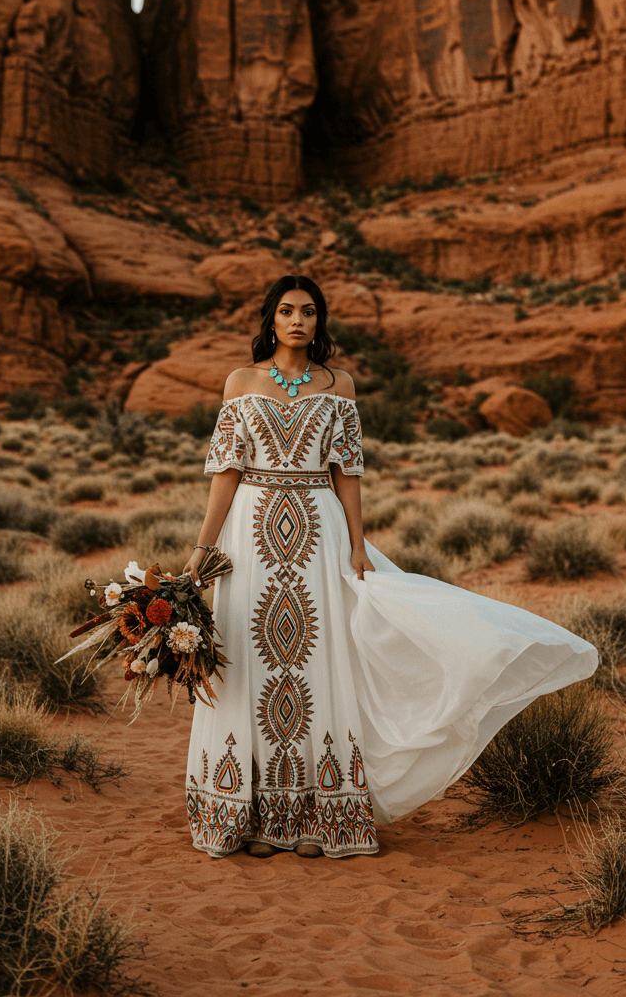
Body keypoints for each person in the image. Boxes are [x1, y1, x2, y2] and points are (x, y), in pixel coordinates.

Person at [181, 275, 597, 859]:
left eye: (308, 312)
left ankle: (315, 818)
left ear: (320, 321)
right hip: (248, 535)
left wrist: (357, 543)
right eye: (285, 311)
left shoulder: (340, 385)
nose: (298, 321)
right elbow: (226, 473)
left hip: (318, 534)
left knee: (318, 660)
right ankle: (251, 816)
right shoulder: (240, 383)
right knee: (251, 662)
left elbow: (346, 473)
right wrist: (202, 551)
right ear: (269, 320)